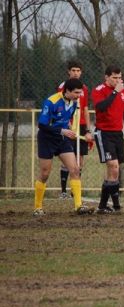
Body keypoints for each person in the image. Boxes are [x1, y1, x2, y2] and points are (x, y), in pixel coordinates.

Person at [33, 78, 93, 215]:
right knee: (45, 173)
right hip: (47, 139)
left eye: (80, 92)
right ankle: (37, 207)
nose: (79, 95)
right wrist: (61, 130)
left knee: (75, 169)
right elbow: (42, 124)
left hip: (62, 139)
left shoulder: (74, 103)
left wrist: (69, 129)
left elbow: (66, 119)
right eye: (77, 93)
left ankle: (78, 206)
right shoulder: (51, 101)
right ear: (67, 91)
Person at [92, 65, 124, 214]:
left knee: (115, 170)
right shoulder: (99, 90)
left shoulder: (123, 92)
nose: (118, 80)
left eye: (120, 77)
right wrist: (114, 92)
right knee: (112, 166)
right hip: (103, 133)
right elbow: (101, 107)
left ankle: (104, 206)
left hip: (117, 134)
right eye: (115, 77)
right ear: (106, 77)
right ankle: (114, 205)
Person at [57, 60, 93, 199]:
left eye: (78, 71)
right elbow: (61, 105)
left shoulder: (84, 88)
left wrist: (88, 129)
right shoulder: (63, 87)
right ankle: (63, 191)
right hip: (68, 125)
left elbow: (85, 109)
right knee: (67, 157)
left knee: (80, 159)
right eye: (73, 70)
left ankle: (74, 191)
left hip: (81, 125)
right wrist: (65, 125)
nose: (76, 73)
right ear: (68, 71)